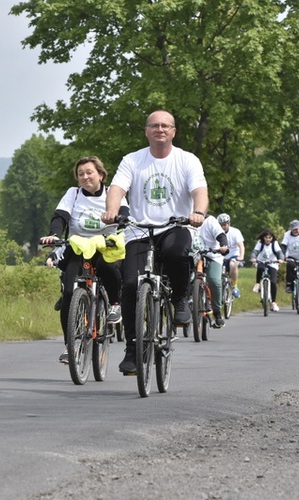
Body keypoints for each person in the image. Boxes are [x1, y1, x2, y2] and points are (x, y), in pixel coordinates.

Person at [101, 110, 208, 374]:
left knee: (176, 253)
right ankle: (132, 349)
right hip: (139, 230)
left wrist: (199, 213)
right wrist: (111, 210)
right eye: (154, 125)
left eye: (165, 125)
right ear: (146, 131)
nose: (160, 129)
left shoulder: (187, 160)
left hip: (176, 226)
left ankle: (180, 300)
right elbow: (117, 189)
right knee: (128, 285)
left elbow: (199, 191)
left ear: (173, 131)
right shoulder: (132, 160)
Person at [39, 156, 129, 363]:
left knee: (106, 267)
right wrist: (53, 234)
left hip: (105, 246)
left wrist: (121, 224)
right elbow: (60, 216)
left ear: (101, 174)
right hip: (78, 246)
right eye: (81, 174)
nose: (85, 177)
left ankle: (115, 304)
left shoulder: (111, 193)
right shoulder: (74, 193)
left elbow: (124, 212)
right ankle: (70, 346)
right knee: (70, 293)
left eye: (89, 172)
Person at [193, 215, 229, 327]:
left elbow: (220, 234)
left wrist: (223, 245)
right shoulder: (184, 218)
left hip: (212, 255)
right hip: (192, 255)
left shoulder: (210, 221)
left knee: (214, 281)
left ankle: (217, 312)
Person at [250, 229, 284, 312]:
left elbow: (279, 252)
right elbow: (255, 251)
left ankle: (274, 302)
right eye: (266, 237)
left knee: (273, 282)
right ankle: (257, 283)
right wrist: (253, 258)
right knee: (260, 268)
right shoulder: (260, 243)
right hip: (261, 261)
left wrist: (281, 259)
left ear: (272, 238)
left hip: (272, 263)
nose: (268, 239)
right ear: (263, 237)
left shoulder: (274, 243)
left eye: (270, 237)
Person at [217, 213, 245, 298]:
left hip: (233, 255)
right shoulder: (216, 232)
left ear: (229, 224)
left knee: (232, 265)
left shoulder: (235, 232)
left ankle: (234, 285)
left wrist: (241, 256)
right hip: (220, 256)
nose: (223, 227)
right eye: (220, 225)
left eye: (224, 225)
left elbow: (241, 246)